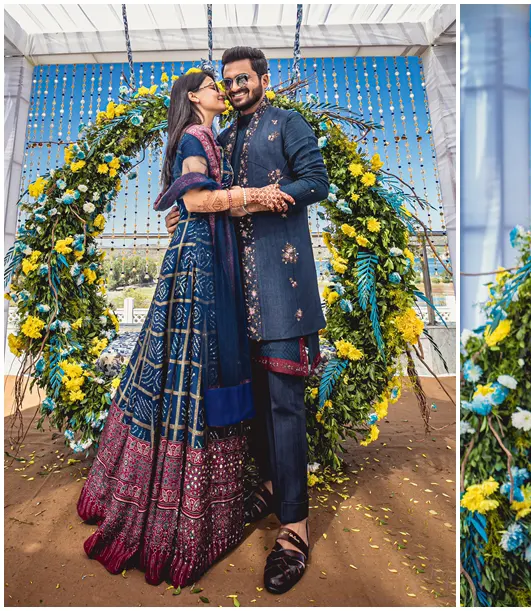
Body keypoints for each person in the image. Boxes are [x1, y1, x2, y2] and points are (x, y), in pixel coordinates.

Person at [77, 68, 292, 587]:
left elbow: (187, 203)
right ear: (194, 97)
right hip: (199, 266)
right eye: (214, 87)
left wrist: (191, 208)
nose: (222, 91)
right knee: (195, 367)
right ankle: (178, 506)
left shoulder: (204, 139)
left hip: (201, 254)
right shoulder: (194, 135)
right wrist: (257, 196)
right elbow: (196, 201)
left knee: (190, 368)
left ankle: (172, 493)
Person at [165, 46, 329, 595]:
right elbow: (205, 197)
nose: (234, 87)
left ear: (262, 79)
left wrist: (260, 199)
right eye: (227, 80)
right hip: (233, 294)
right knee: (255, 402)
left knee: (285, 404)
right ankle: (266, 485)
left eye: (242, 78)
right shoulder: (221, 138)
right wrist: (187, 209)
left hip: (283, 292)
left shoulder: (288, 123)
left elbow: (317, 181)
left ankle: (295, 529)